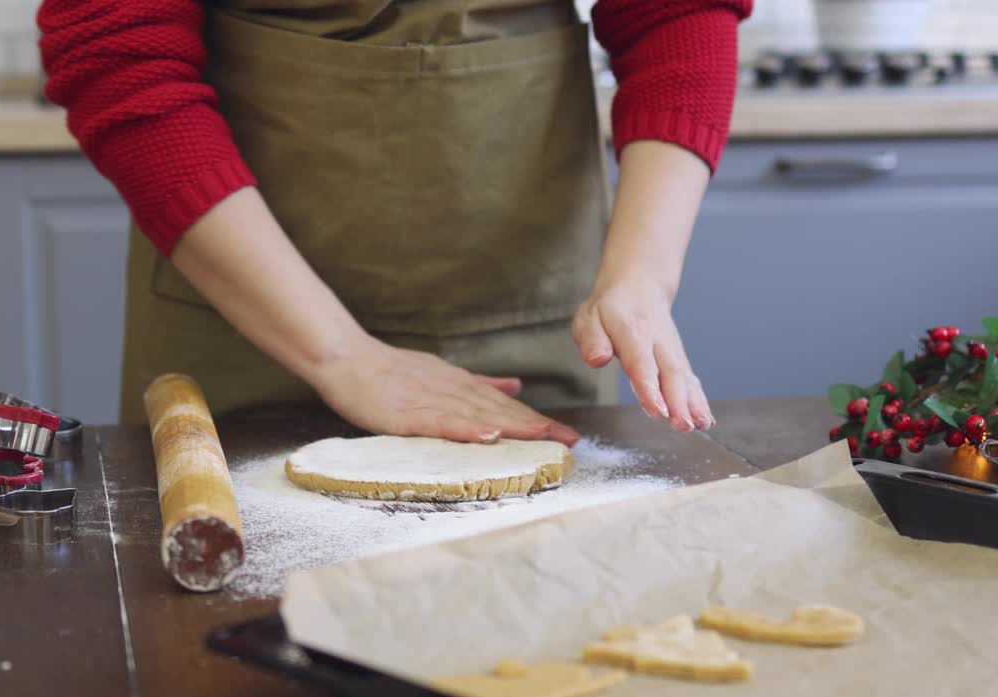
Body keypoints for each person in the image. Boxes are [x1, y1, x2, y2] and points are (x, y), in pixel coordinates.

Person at [37, 0, 753, 444]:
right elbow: (120, 53)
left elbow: (676, 12)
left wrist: (642, 277)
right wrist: (341, 354)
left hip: (531, 318)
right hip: (247, 322)